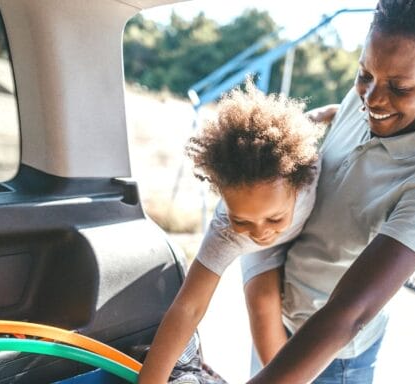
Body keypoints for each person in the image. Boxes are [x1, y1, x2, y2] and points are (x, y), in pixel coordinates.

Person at [243, 0, 415, 382]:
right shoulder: (365, 101)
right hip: (280, 318)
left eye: (399, 87)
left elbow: (349, 314)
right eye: (364, 74)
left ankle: (405, 270)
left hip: (330, 356)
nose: (373, 98)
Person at [136, 81, 325, 384]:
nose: (260, 231)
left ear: (299, 184)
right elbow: (188, 307)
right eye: (243, 220)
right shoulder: (228, 232)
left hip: (305, 232)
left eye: (273, 218)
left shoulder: (308, 167)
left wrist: (333, 112)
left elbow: (312, 120)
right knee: (262, 301)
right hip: (258, 256)